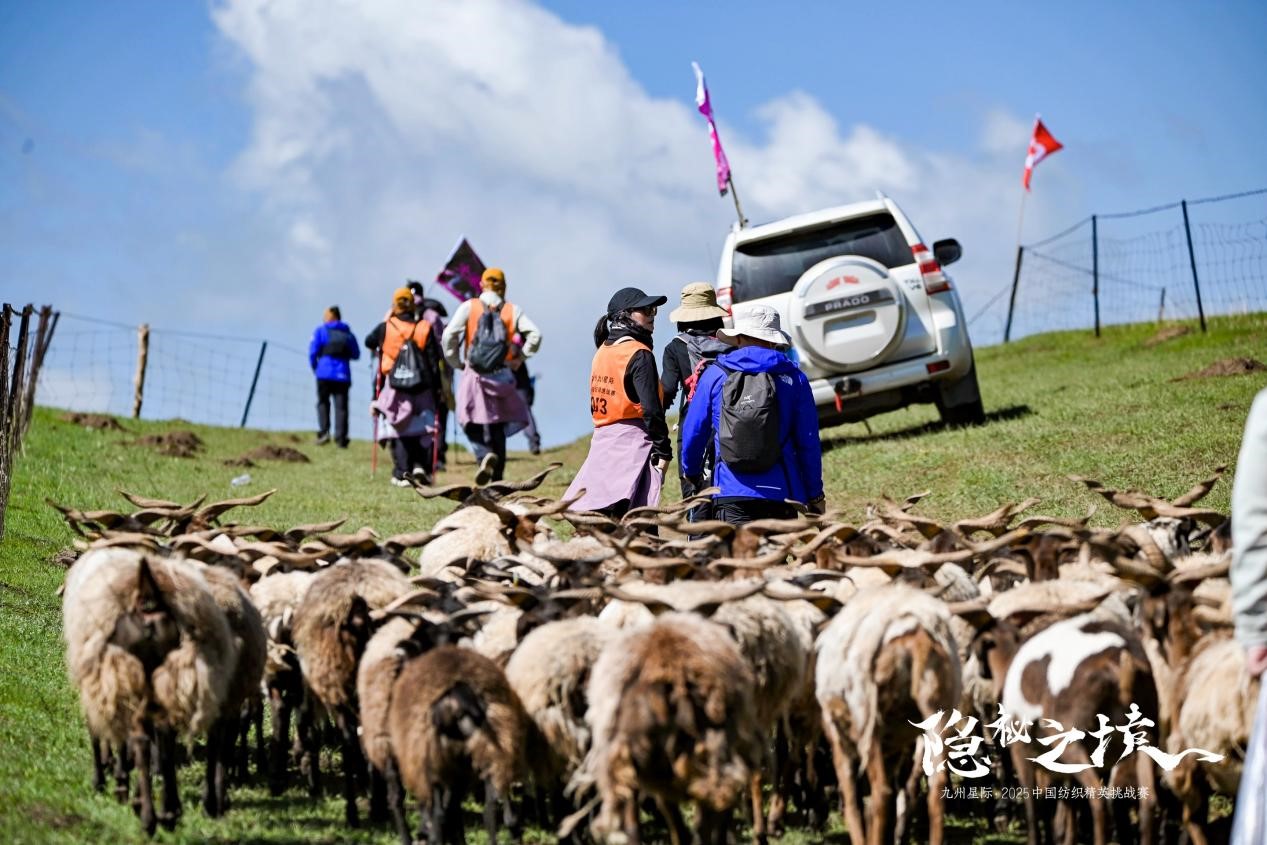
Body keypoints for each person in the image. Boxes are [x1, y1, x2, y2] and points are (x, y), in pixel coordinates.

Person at [680, 304, 825, 526]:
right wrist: (815, 495)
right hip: (781, 493)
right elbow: (808, 443)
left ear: (737, 338)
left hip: (729, 490)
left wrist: (691, 473)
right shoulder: (794, 378)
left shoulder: (716, 374)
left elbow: (694, 431)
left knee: (739, 559)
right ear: (774, 339)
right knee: (774, 560)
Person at [565, 287, 671, 518]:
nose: (652, 315)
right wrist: (664, 451)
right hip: (632, 447)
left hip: (602, 445)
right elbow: (651, 410)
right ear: (625, 315)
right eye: (645, 310)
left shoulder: (603, 350)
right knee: (638, 526)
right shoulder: (639, 353)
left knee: (600, 520)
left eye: (653, 310)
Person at [441, 267, 541, 484]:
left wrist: (456, 361)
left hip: (474, 373)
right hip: (502, 372)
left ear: (481, 284)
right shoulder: (512, 310)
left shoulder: (469, 307)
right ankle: (498, 479)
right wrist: (520, 359)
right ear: (503, 286)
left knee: (466, 418)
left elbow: (449, 335)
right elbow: (535, 335)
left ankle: (482, 453)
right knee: (498, 424)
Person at [661, 282, 731, 510]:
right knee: (726, 487)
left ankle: (698, 537)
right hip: (729, 421)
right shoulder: (731, 344)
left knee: (695, 495)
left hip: (692, 422)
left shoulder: (675, 347)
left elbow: (668, 390)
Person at [364, 288, 443, 487]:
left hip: (395, 386)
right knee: (422, 428)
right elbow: (434, 361)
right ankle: (420, 466)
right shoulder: (424, 327)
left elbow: (369, 341)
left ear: (394, 305)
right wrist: (438, 389)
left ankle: (402, 472)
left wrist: (388, 319)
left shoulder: (386, 327)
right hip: (422, 386)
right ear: (413, 305)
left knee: (398, 428)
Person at [409, 281, 453, 472]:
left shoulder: (403, 312)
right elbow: (443, 345)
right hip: (437, 369)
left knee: (415, 414)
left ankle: (416, 458)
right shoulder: (433, 316)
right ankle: (438, 456)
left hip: (410, 372)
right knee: (439, 412)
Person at [308, 306, 360, 448]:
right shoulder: (347, 333)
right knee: (341, 407)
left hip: (323, 373)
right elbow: (356, 354)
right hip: (342, 374)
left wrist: (315, 367)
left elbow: (313, 352)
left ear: (328, 317)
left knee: (323, 403)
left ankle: (324, 433)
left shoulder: (321, 331)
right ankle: (341, 438)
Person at [509, 336, 542, 455]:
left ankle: (491, 447)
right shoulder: (515, 322)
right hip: (518, 376)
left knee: (523, 411)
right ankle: (534, 442)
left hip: (512, 375)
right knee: (524, 410)